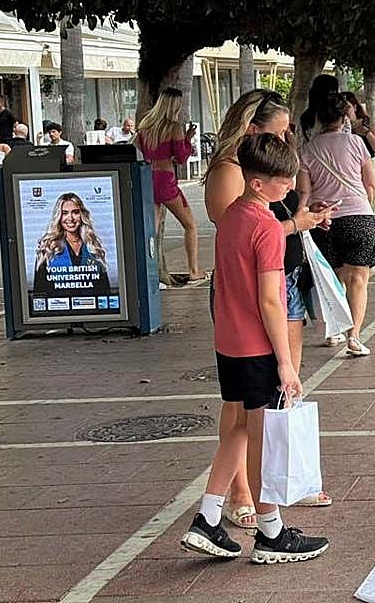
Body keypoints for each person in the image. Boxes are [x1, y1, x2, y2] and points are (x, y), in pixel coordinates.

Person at [180, 133, 330, 565]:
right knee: (261, 437)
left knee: (239, 430)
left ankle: (208, 516)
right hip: (257, 344)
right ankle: (271, 532)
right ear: (259, 182)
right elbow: (271, 299)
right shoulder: (265, 226)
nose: (289, 188)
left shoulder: (232, 216)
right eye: (282, 182)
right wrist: (286, 362)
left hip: (228, 341)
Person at [204, 89, 333, 530]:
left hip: (263, 301)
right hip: (252, 316)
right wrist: (293, 226)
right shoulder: (235, 185)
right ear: (252, 131)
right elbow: (261, 288)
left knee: (259, 415)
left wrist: (299, 219)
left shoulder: (254, 201)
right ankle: (268, 522)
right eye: (278, 134)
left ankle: (211, 514)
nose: (286, 140)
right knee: (252, 419)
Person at [298, 91, 375, 359]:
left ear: (319, 119)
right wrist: (366, 206)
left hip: (325, 222)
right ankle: (354, 337)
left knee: (330, 279)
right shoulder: (356, 143)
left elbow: (304, 193)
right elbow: (370, 182)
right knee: (358, 281)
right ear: (344, 117)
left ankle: (333, 330)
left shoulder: (307, 150)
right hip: (359, 218)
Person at [137, 88, 207, 283]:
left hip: (148, 177)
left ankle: (150, 272)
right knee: (190, 225)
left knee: (152, 229)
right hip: (166, 179)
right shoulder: (174, 127)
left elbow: (140, 148)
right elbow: (182, 157)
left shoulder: (145, 125)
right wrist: (187, 139)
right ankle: (193, 270)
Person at [32, 192, 111, 296]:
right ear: (59, 217)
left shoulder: (92, 247)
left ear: (82, 215)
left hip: (92, 309)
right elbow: (40, 292)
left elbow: (104, 290)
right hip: (58, 309)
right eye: (65, 213)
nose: (70, 218)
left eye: (75, 212)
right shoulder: (48, 250)